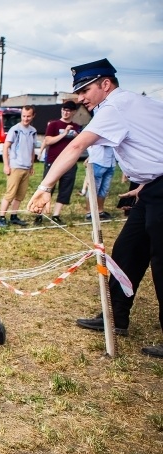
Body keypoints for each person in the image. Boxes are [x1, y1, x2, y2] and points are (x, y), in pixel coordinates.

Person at [27, 58, 163, 358]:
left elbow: (76, 147)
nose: (81, 98)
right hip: (152, 190)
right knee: (127, 251)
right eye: (78, 92)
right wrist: (147, 183)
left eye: (85, 89)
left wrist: (44, 187)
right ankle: (115, 318)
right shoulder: (130, 104)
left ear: (106, 84)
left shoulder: (115, 107)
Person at [36, 100, 82, 225]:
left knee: (65, 189)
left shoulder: (76, 126)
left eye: (68, 110)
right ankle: (39, 214)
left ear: (73, 112)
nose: (65, 112)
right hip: (53, 161)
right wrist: (65, 133)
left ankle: (56, 215)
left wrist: (77, 136)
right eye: (63, 110)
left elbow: (80, 144)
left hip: (70, 163)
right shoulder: (54, 125)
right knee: (47, 187)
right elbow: (48, 141)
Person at [0, 106, 36, 228]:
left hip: (26, 167)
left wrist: (31, 165)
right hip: (15, 166)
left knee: (20, 195)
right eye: (24, 116)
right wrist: (6, 165)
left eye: (28, 116)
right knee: (10, 194)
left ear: (33, 116)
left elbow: (32, 149)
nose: (26, 118)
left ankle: (14, 216)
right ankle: (1, 217)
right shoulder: (15, 129)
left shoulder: (33, 130)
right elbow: (5, 147)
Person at [83, 143, 115, 220]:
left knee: (104, 189)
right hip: (98, 162)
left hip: (111, 162)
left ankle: (100, 211)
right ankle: (89, 213)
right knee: (93, 188)